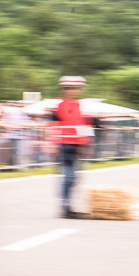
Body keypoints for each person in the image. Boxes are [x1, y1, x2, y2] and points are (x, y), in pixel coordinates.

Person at [50, 75, 92, 219]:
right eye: (70, 88)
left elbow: (81, 126)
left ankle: (68, 204)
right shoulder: (61, 105)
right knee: (69, 176)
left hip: (76, 145)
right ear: (65, 90)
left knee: (74, 177)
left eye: (76, 88)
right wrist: (52, 143)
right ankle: (65, 206)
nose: (73, 91)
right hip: (65, 144)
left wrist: (84, 143)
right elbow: (54, 125)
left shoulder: (78, 105)